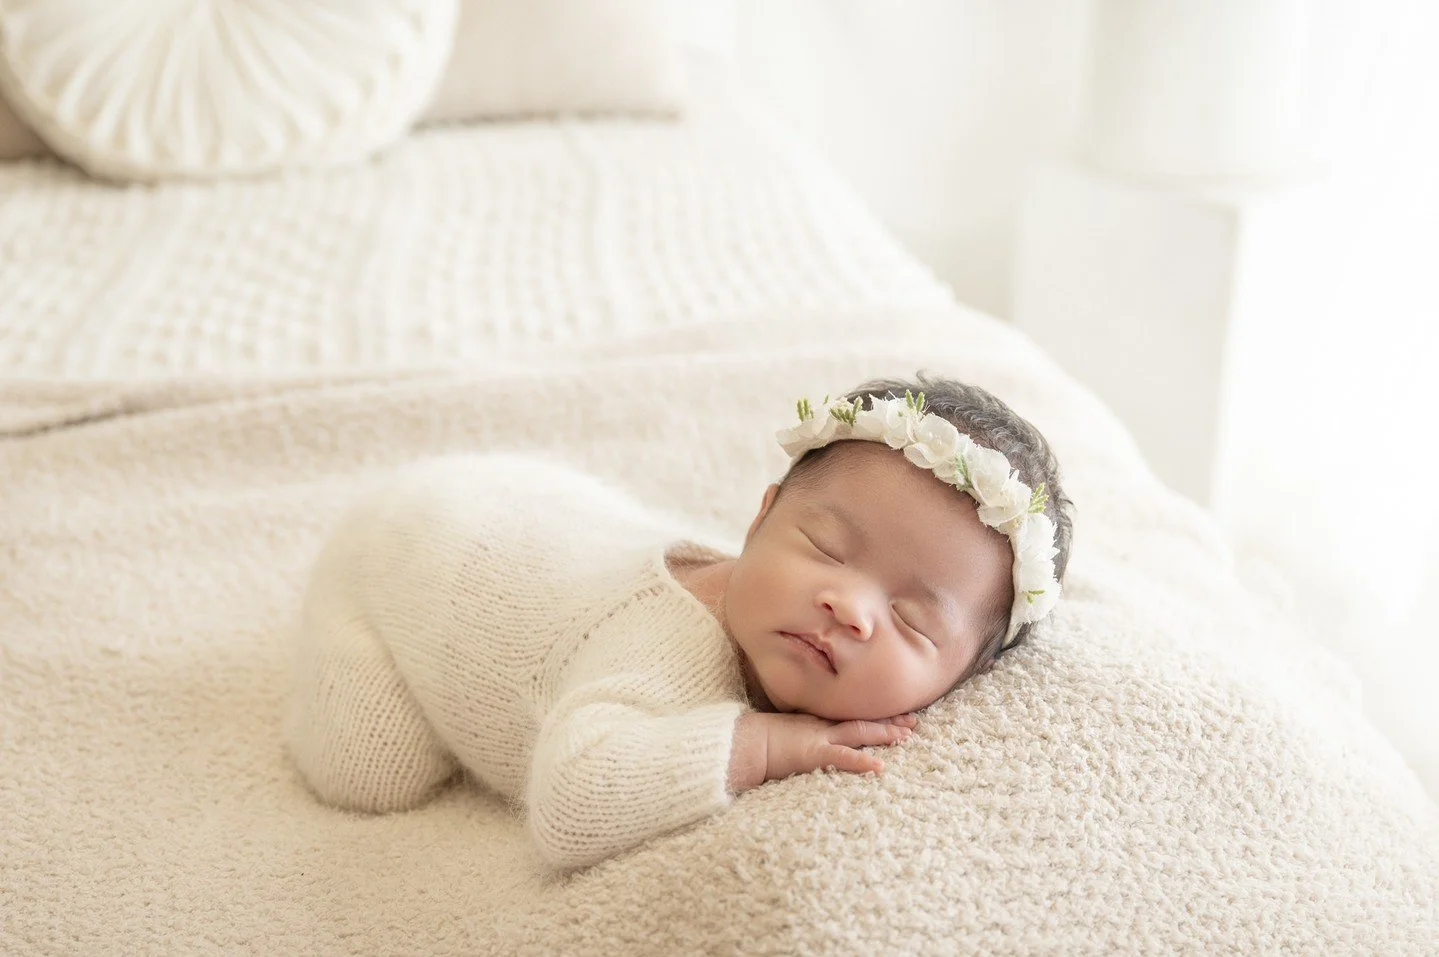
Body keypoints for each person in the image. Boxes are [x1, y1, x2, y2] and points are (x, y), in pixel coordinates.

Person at [284, 373, 1075, 871]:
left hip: (516, 515)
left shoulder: (786, 597)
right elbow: (570, 802)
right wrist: (759, 743)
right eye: (824, 546)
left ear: (970, 672)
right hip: (399, 552)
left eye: (909, 618)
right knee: (370, 773)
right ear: (761, 516)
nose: (849, 606)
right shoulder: (664, 649)